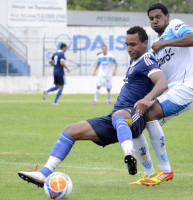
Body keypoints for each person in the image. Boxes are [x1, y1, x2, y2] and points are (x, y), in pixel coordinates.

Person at [18, 26, 168, 187]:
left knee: (119, 116)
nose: (129, 49)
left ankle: (128, 155)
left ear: (145, 43)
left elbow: (162, 82)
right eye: (126, 45)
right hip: (117, 118)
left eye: (133, 44)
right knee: (70, 131)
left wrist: (148, 98)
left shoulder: (146, 60)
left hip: (135, 115)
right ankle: (43, 174)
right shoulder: (135, 61)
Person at [130, 3, 193, 186]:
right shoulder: (155, 45)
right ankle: (149, 173)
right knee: (136, 123)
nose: (155, 21)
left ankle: (166, 170)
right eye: (151, 19)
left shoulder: (175, 26)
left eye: (158, 17)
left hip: (187, 87)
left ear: (167, 17)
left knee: (149, 113)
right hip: (171, 91)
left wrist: (165, 42)